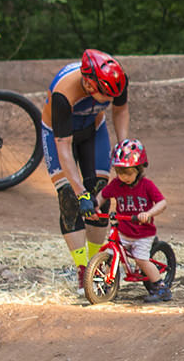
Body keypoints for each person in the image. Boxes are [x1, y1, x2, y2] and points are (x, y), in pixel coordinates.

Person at [40, 49, 130, 290]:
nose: (106, 100)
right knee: (70, 198)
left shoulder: (117, 79)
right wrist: (81, 193)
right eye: (104, 95)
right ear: (89, 84)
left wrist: (123, 146)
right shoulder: (63, 94)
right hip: (58, 136)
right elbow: (64, 146)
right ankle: (82, 269)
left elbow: (120, 110)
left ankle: (96, 263)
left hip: (93, 130)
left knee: (100, 195)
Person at [97, 139, 171, 303]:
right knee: (110, 254)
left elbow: (162, 203)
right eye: (120, 172)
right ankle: (108, 285)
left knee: (141, 259)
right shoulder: (116, 184)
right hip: (124, 231)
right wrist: (96, 206)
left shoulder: (146, 185)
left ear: (139, 169)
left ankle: (161, 287)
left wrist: (148, 213)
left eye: (128, 173)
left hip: (143, 234)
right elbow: (103, 195)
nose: (124, 177)